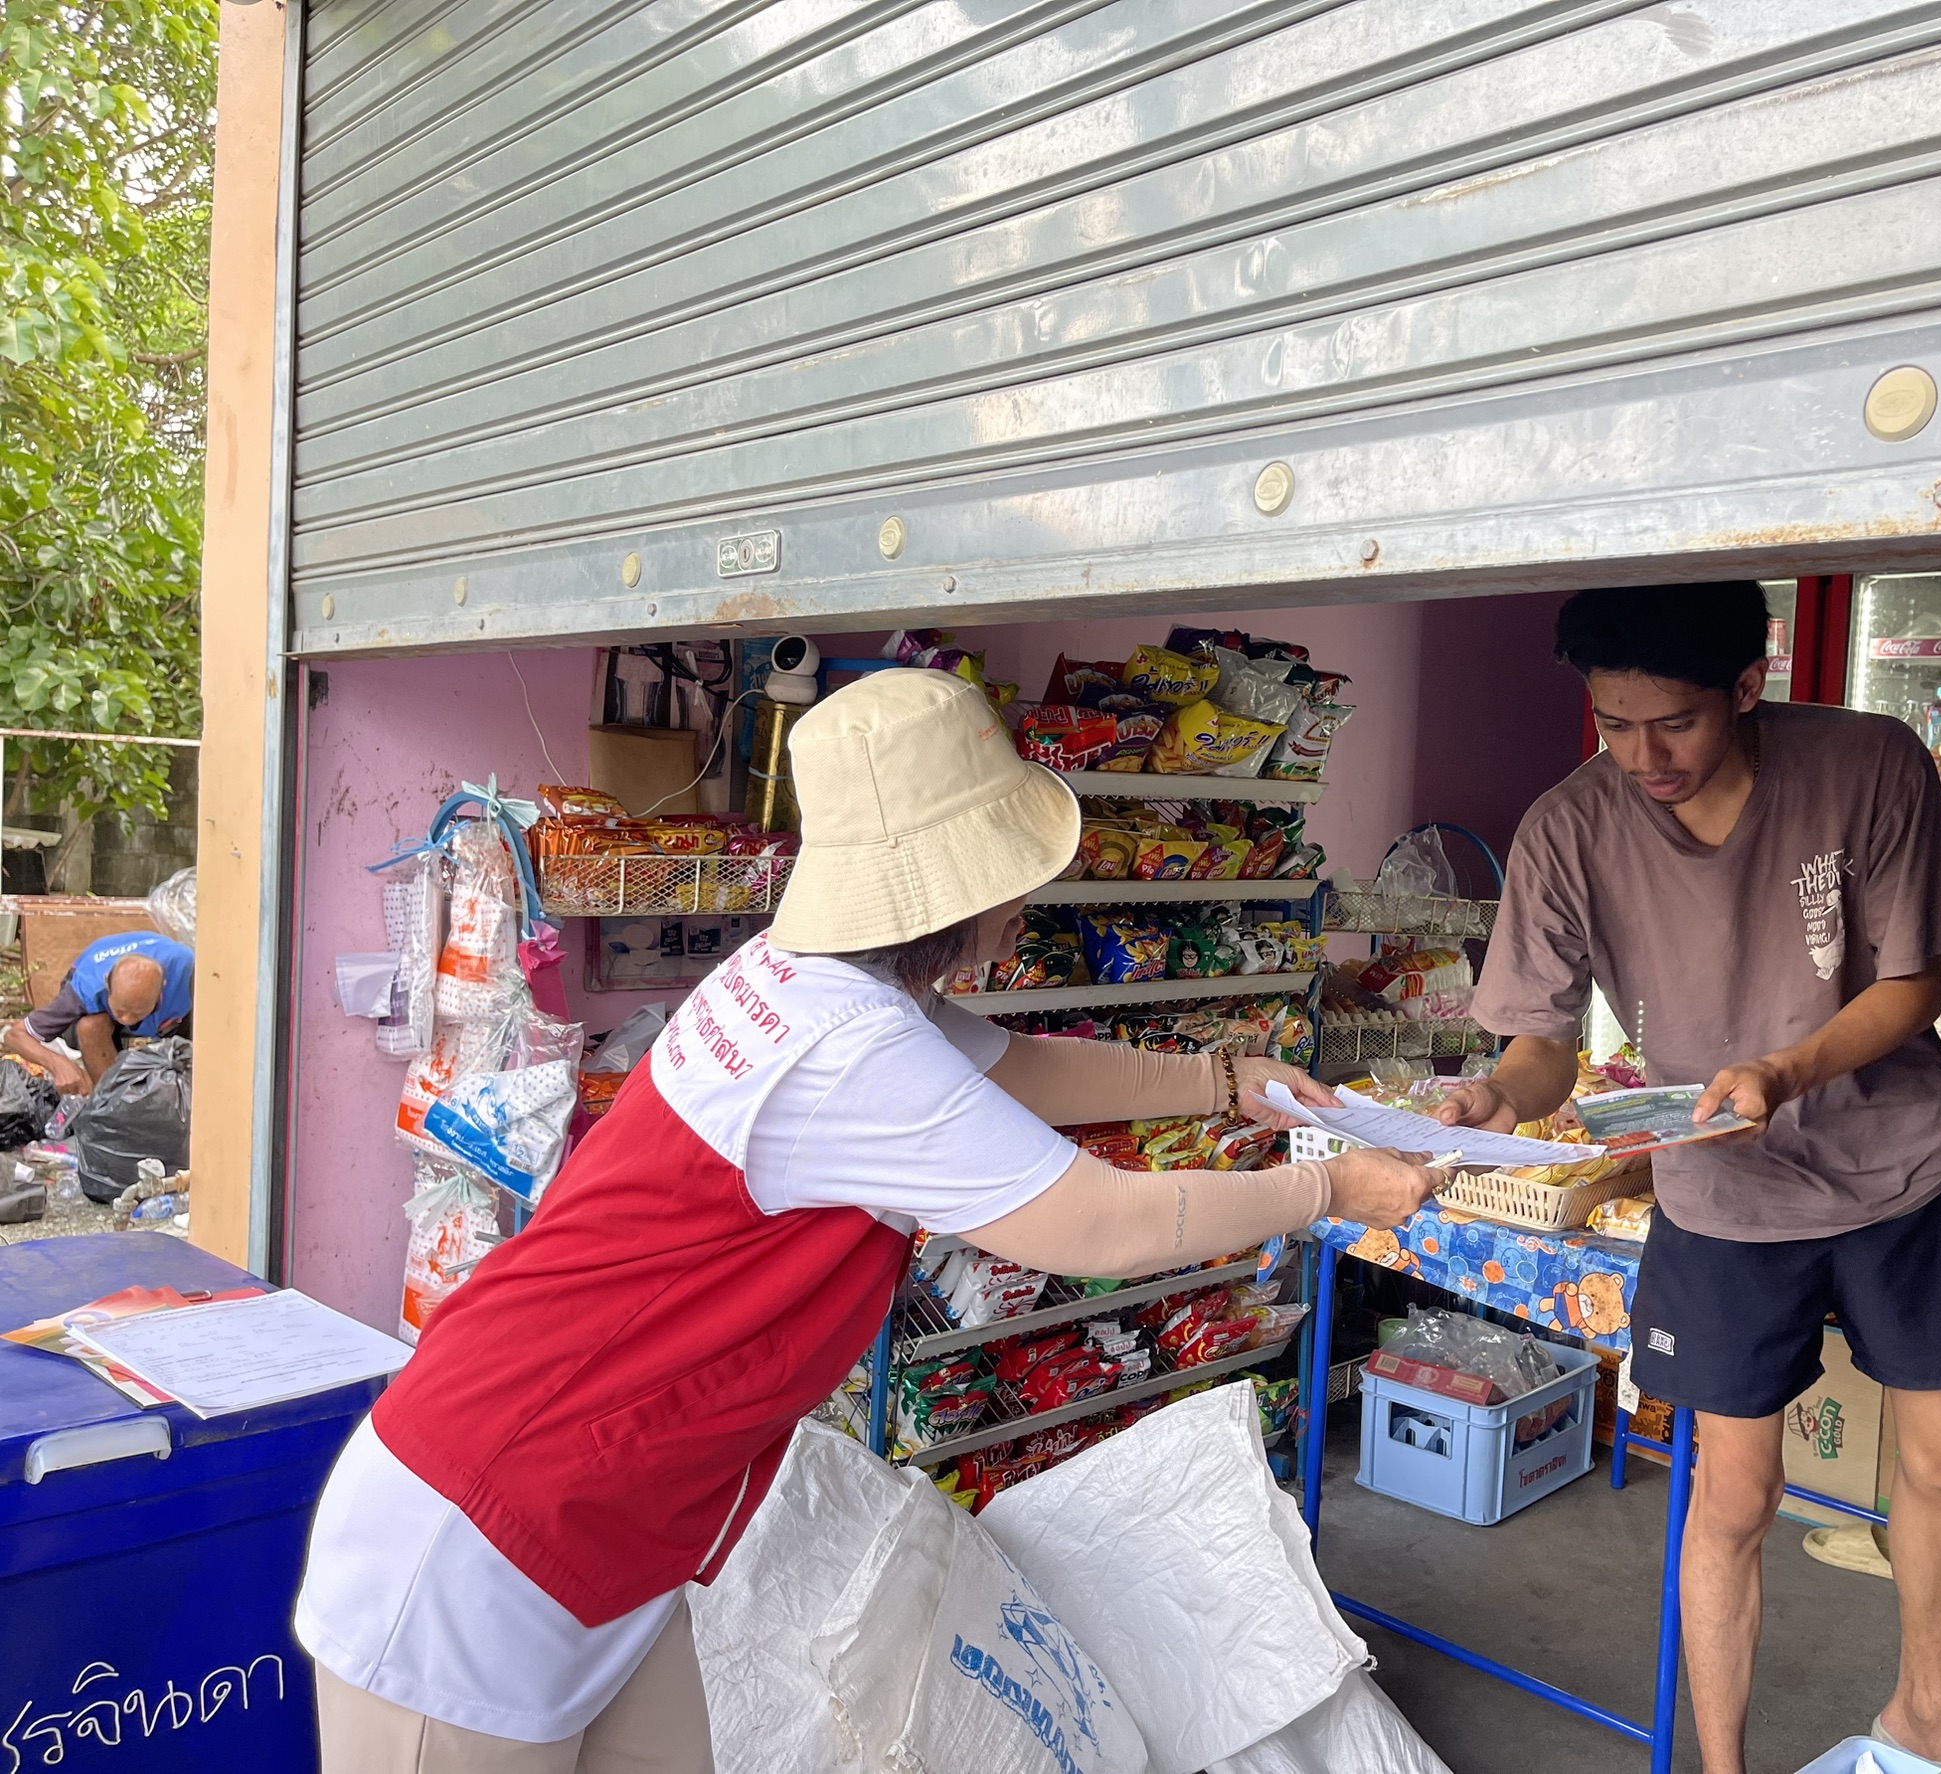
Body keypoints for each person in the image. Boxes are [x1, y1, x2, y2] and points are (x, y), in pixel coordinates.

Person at [295, 667, 1436, 1772]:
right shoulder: (851, 1047)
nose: (1029, 895)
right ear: (956, 883)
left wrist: (1228, 1080)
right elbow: (1102, 1227)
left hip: (604, 1518)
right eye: (1015, 866)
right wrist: (1327, 1189)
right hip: (484, 1537)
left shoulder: (811, 981)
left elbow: (1022, 1069)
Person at [1440, 583, 1941, 1774]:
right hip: (1725, 1197)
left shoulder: (1870, 763)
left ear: (1749, 686)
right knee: (1737, 1493)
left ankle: (1925, 1719)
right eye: (1612, 724)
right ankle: (1723, 1766)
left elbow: (1914, 987)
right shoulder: (1568, 827)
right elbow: (1537, 1047)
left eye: (1676, 725)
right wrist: (1498, 1098)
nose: (1643, 757)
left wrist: (1786, 1069)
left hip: (1903, 1164)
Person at [1, 929, 194, 1096]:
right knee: (91, 1027)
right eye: (120, 1010)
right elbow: (15, 1035)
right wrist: (58, 1065)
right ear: (107, 982)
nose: (126, 1019)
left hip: (178, 1000)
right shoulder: (84, 990)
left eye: (136, 1013)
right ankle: (111, 1103)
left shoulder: (191, 974)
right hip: (94, 981)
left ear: (163, 989)